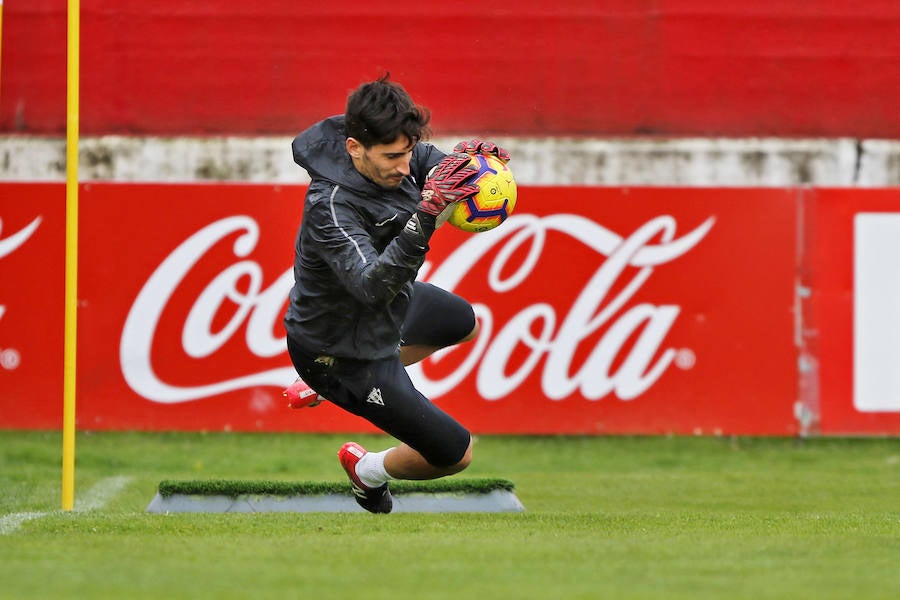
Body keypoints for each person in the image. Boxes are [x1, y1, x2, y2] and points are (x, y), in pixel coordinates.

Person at [282, 75, 510, 514]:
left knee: (465, 323)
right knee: (455, 455)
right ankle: (366, 469)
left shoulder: (399, 153)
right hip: (340, 348)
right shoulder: (329, 205)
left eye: (407, 152)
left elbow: (435, 164)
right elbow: (371, 286)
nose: (405, 167)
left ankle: (323, 391)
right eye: (392, 157)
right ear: (354, 148)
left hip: (384, 311)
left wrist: (475, 169)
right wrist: (425, 216)